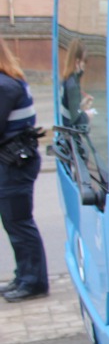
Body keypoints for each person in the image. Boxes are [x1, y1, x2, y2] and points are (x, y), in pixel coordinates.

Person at [0, 35, 48, 302]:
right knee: (15, 222)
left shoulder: (4, 85)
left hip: (14, 164)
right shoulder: (9, 81)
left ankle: (33, 281)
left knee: (19, 222)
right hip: (14, 161)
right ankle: (24, 276)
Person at [60, 38, 94, 131]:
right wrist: (88, 116)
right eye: (84, 64)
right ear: (77, 62)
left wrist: (81, 105)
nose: (84, 68)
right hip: (71, 138)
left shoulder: (66, 79)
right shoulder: (73, 84)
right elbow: (76, 120)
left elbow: (69, 109)